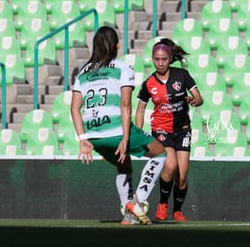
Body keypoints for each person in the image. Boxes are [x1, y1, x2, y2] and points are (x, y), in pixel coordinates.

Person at [70, 26, 167, 225]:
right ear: (115, 46)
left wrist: (82, 140)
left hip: (94, 137)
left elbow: (74, 109)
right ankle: (138, 201)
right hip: (116, 130)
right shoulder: (123, 68)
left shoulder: (83, 73)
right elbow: (125, 105)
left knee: (124, 165)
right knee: (160, 153)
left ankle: (129, 215)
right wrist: (125, 137)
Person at [135, 38, 204, 221]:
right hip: (161, 130)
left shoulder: (182, 75)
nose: (160, 63)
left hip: (182, 130)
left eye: (164, 59)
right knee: (170, 165)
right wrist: (138, 135)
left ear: (170, 57)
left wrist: (193, 100)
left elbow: (199, 98)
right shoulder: (148, 83)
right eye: (156, 59)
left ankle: (178, 210)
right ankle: (163, 203)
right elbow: (140, 110)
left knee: (181, 177)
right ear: (152, 59)